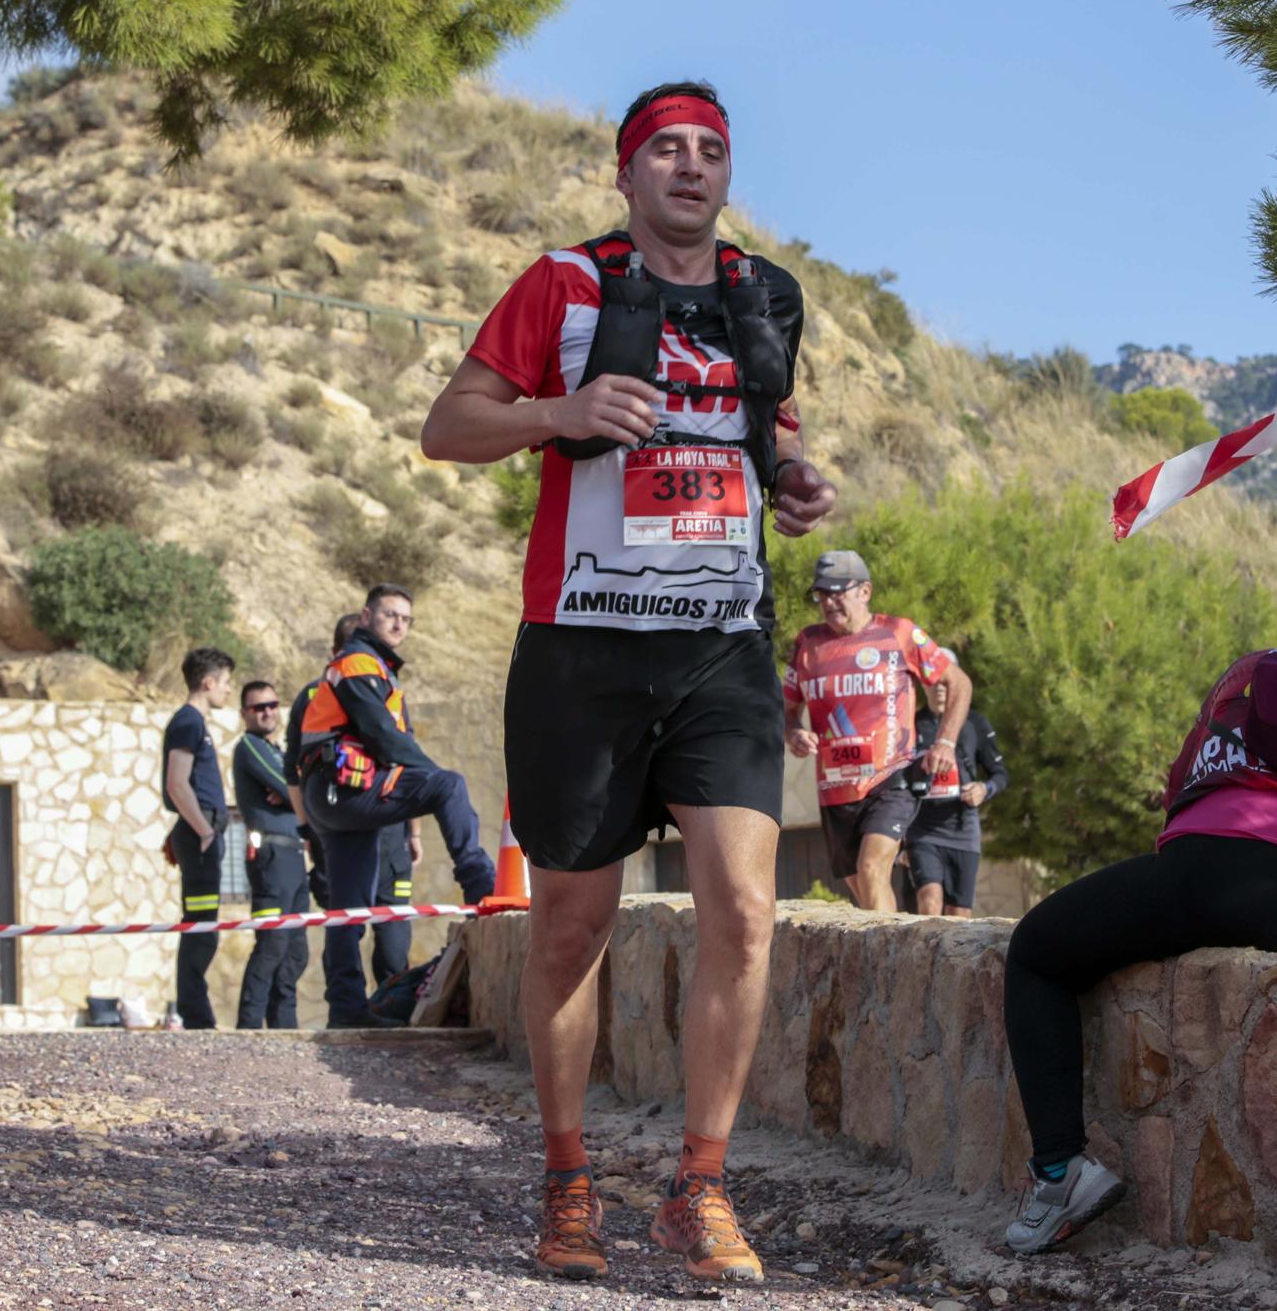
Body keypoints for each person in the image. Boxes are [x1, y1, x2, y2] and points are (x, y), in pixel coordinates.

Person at [421, 79, 837, 1284]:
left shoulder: (761, 295)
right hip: (580, 650)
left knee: (745, 909)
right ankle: (566, 1187)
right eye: (666, 150)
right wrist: (560, 409)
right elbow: (448, 426)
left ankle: (698, 1189)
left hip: (721, 647)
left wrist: (799, 483)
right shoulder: (564, 284)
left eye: (711, 149)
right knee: (567, 929)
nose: (691, 167)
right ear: (625, 173)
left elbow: (766, 442)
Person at [1002, 595, 1277, 1255]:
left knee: (1035, 950)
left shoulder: (1253, 673)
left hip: (1231, 871)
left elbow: (1182, 787)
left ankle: (1058, 1175)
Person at [284, 583, 495, 1029]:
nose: (398, 623)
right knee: (449, 786)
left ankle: (345, 1009)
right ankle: (481, 887)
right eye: (389, 615)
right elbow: (381, 735)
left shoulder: (373, 666)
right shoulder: (359, 663)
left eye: (406, 618)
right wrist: (433, 778)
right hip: (344, 790)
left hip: (334, 796)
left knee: (349, 910)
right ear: (366, 617)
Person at [783, 551, 973, 913]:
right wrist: (793, 733)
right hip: (835, 789)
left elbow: (958, 683)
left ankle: (885, 969)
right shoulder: (807, 643)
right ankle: (893, 956)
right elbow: (788, 709)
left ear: (865, 591)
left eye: (838, 592)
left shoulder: (899, 633)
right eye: (821, 594)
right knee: (863, 886)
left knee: (872, 868)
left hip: (891, 777)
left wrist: (945, 742)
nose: (828, 602)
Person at [325, 608, 418, 990]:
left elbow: (409, 762)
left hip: (393, 833)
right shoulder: (317, 697)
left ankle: (392, 1008)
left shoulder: (393, 697)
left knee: (394, 936)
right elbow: (301, 771)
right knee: (347, 927)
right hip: (348, 828)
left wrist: (413, 834)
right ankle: (348, 1012)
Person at [161, 646, 235, 1030]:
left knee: (204, 925)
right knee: (201, 927)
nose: (228, 690)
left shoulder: (192, 723)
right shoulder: (189, 722)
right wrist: (203, 831)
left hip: (200, 832)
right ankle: (196, 1016)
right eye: (225, 683)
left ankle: (196, 1012)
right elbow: (177, 784)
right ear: (208, 683)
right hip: (201, 833)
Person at [904, 654, 1008, 918]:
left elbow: (1000, 774)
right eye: (933, 682)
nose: (939, 688)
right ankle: (926, 960)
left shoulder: (975, 723)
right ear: (923, 684)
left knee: (959, 914)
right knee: (929, 900)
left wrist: (984, 789)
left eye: (945, 682)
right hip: (922, 829)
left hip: (963, 828)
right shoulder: (910, 724)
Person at [230, 679, 309, 1029]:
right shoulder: (250, 746)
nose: (267, 712)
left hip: (295, 855)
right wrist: (292, 790)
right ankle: (248, 1027)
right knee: (272, 944)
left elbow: (293, 787)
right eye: (258, 707)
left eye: (272, 705)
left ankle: (284, 1029)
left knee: (295, 951)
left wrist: (292, 790)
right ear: (245, 713)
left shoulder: (277, 750)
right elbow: (287, 785)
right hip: (271, 856)